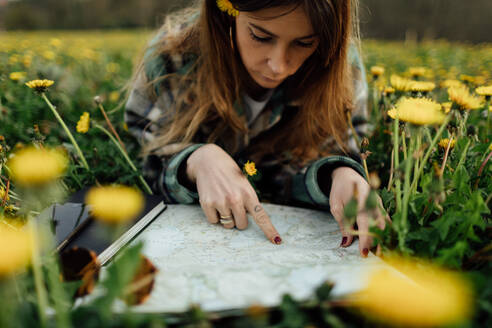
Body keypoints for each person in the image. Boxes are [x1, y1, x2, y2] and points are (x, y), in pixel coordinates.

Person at [125, 0, 388, 257]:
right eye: (261, 36)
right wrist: (195, 161)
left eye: (305, 43)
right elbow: (143, 156)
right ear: (228, 12)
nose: (278, 65)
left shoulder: (340, 71)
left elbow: (346, 145)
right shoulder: (173, 58)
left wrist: (338, 173)